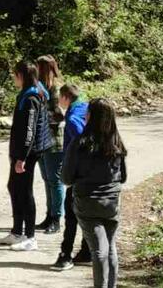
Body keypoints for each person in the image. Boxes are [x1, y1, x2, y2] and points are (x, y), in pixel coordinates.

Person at [62, 98, 127, 288]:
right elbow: (122, 176)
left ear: (91, 116)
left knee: (99, 250)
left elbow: (66, 178)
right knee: (111, 247)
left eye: (87, 112)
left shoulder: (79, 143)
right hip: (111, 202)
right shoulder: (117, 143)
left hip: (86, 202)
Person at [0, 60, 52, 252]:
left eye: (15, 74)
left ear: (21, 75)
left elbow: (29, 131)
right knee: (14, 187)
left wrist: (21, 157)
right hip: (21, 152)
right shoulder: (27, 93)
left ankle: (30, 236)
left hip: (28, 153)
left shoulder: (32, 98)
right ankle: (17, 231)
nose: (14, 78)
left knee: (25, 191)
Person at [52, 84, 91, 271]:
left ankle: (65, 254)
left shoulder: (74, 118)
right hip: (93, 175)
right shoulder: (85, 107)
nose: (59, 100)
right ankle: (86, 251)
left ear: (66, 97)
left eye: (60, 96)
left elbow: (80, 146)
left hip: (79, 175)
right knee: (86, 215)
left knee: (71, 215)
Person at [36, 55, 65, 234]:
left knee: (55, 180)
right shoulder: (41, 87)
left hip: (55, 140)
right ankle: (49, 215)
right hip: (42, 139)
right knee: (47, 179)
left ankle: (56, 218)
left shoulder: (55, 89)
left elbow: (59, 115)